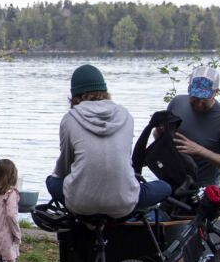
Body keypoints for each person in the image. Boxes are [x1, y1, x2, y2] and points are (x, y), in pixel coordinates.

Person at [46, 64, 170, 217]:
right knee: (165, 187)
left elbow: (64, 166)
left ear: (74, 95)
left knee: (51, 182)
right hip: (123, 203)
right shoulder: (126, 116)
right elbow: (124, 160)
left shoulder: (69, 119)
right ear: (104, 90)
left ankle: (88, 222)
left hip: (82, 205)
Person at [166, 65, 220, 188]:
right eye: (195, 98)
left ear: (216, 92)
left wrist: (199, 150)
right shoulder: (177, 103)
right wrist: (159, 131)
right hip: (172, 182)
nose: (199, 104)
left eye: (205, 99)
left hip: (203, 189)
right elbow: (160, 137)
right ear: (189, 89)